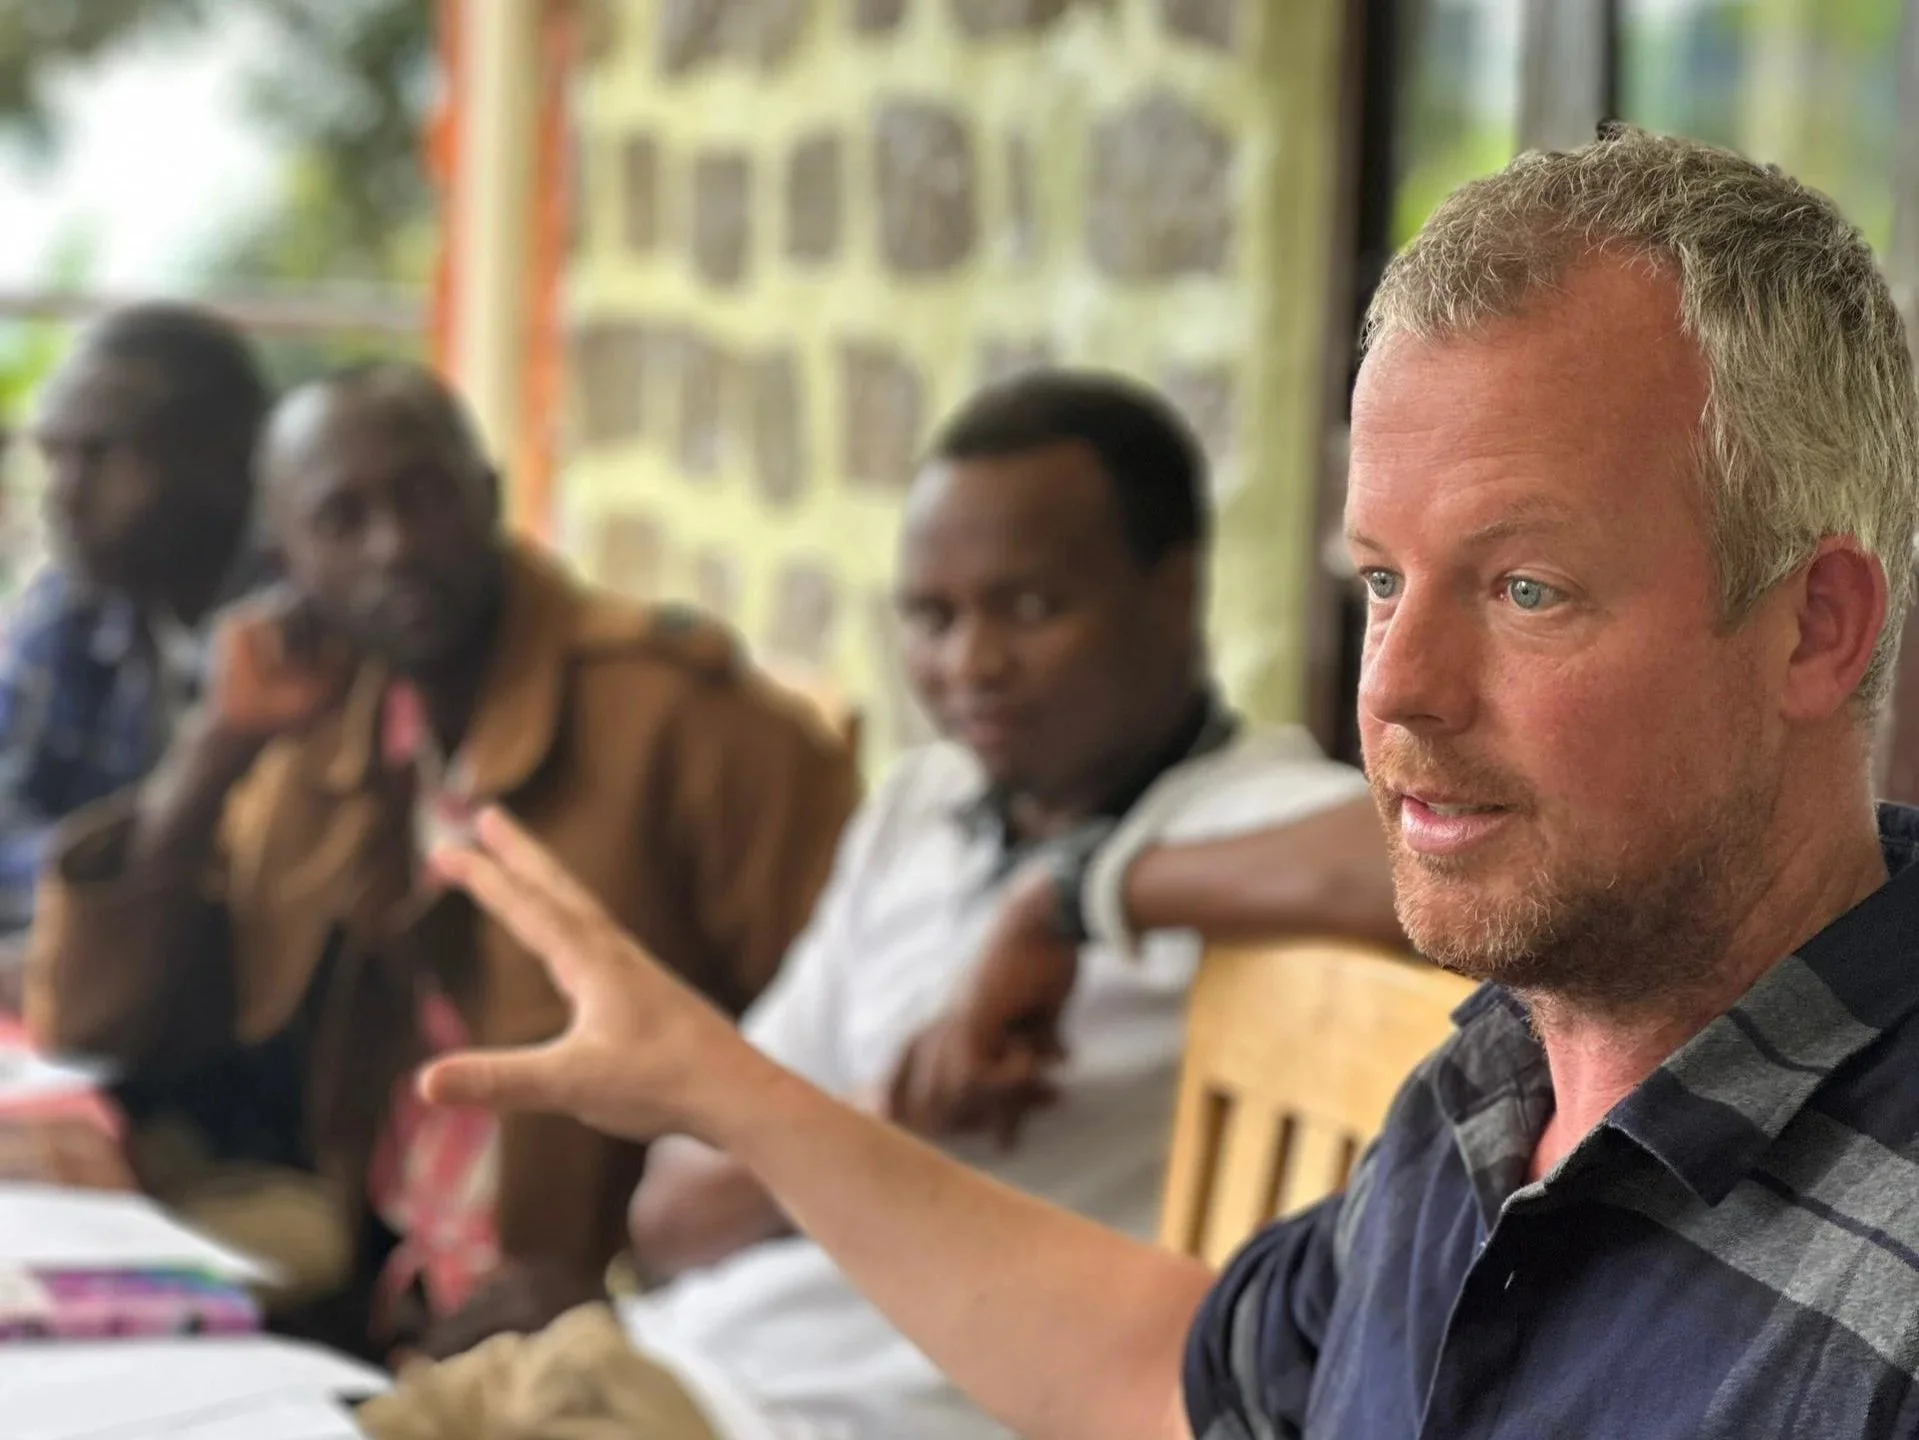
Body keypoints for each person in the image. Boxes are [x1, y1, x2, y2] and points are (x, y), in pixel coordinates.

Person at [410, 125, 1919, 1438]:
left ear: (1814, 627)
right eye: (1381, 585)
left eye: (1525, 589)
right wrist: (714, 1085)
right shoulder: (1488, 1097)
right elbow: (1171, 1380)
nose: (1393, 688)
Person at [358, 370, 1398, 1440]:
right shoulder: (922, 808)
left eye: (1031, 608)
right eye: (931, 617)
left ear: (1171, 593)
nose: (969, 665)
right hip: (645, 1359)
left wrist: (1077, 898)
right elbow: (669, 1221)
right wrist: (884, 1123)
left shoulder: (1250, 815)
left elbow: (1413, 863)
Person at [25, 362, 860, 1356]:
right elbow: (97, 1016)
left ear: (492, 495)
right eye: (342, 519)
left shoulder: (685, 722)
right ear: (283, 557)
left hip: (607, 1333)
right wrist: (217, 750)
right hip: (381, 1302)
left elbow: (846, 1086)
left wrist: (635, 1307)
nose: (396, 547)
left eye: (423, 497)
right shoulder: (326, 729)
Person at [0, 305, 271, 958]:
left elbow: (247, 910)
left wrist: (91, 887)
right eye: (53, 455)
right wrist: (99, 886)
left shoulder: (308, 631)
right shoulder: (75, 604)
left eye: (101, 455)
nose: (63, 494)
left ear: (232, 463)